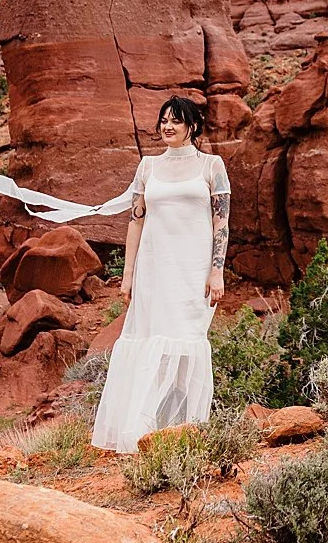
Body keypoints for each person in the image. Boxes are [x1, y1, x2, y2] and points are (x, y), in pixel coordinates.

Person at [87, 96, 230, 453]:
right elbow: (135, 223)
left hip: (192, 271)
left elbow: (221, 223)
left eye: (176, 121)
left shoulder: (212, 166)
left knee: (186, 340)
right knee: (150, 340)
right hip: (154, 270)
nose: (168, 126)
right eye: (164, 120)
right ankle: (140, 432)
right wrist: (128, 275)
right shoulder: (148, 167)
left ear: (192, 126)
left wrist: (217, 272)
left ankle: (185, 432)